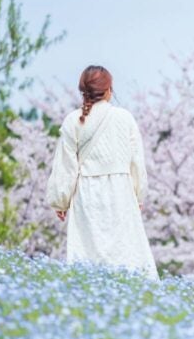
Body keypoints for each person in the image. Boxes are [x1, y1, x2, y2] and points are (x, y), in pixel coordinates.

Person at [45, 65, 158, 280]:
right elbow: (136, 163)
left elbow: (66, 166)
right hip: (121, 193)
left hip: (87, 195)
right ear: (108, 90)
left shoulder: (73, 121)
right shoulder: (125, 118)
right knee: (126, 252)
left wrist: (60, 201)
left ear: (83, 91)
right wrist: (139, 195)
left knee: (88, 254)